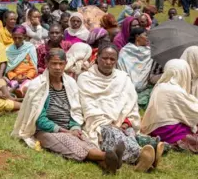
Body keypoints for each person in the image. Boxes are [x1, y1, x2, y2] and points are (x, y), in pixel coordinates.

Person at [12, 48, 121, 174]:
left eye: (61, 64)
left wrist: (74, 127)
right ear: (47, 63)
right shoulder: (38, 85)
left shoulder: (70, 83)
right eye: (54, 63)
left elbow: (76, 110)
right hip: (46, 130)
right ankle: (105, 156)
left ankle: (106, 164)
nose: (57, 67)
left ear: (65, 63)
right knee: (68, 142)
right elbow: (39, 119)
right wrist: (64, 131)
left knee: (85, 141)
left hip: (69, 127)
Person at [78, 44, 162, 172]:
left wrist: (125, 122)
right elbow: (88, 107)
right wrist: (109, 123)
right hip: (100, 123)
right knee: (113, 134)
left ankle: (148, 154)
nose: (108, 62)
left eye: (112, 59)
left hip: (123, 122)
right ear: (97, 58)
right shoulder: (86, 78)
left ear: (117, 60)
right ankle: (141, 155)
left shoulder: (123, 78)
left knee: (128, 133)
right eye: (104, 58)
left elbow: (131, 105)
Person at [141, 59, 198, 153]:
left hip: (157, 131)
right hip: (171, 133)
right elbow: (194, 111)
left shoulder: (160, 86)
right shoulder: (174, 90)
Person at [117, 28, 153, 108]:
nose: (147, 38)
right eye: (145, 35)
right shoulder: (125, 51)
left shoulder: (149, 51)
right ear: (137, 37)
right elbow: (122, 69)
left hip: (144, 86)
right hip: (127, 86)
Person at [5, 25, 38, 97]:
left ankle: (20, 92)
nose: (17, 40)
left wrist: (26, 77)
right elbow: (8, 68)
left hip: (28, 77)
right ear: (12, 36)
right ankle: (17, 92)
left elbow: (33, 67)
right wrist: (15, 77)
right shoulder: (8, 50)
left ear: (24, 37)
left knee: (28, 85)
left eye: (19, 38)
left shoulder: (30, 48)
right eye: (15, 38)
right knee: (13, 84)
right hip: (15, 78)